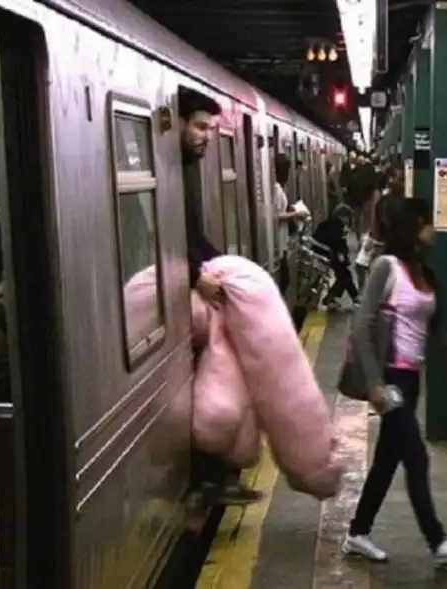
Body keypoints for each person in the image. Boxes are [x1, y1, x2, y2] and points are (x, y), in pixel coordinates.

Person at [342, 198, 447, 567]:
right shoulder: (386, 267)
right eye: (427, 223)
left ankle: (358, 532)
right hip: (391, 378)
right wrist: (374, 383)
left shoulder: (426, 273)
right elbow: (361, 326)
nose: (433, 230)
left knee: (387, 460)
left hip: (411, 380)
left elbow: (441, 330)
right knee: (416, 457)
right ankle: (437, 540)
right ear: (413, 228)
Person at [178, 86, 262, 506]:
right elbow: (162, 241)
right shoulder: (174, 176)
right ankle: (211, 476)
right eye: (199, 127)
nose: (206, 137)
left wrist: (229, 268)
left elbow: (192, 238)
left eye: (211, 130)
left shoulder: (185, 173)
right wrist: (196, 275)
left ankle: (220, 474)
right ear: (175, 123)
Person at [274, 153, 309, 296]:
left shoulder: (278, 188)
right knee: (284, 280)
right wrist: (296, 214)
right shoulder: (276, 188)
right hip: (278, 239)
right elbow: (276, 215)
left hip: (282, 240)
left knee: (285, 279)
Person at [313, 204, 359, 310]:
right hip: (327, 254)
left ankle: (332, 299)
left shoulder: (332, 224)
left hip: (326, 253)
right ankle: (354, 297)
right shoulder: (335, 226)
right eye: (348, 218)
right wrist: (342, 258)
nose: (348, 221)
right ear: (342, 216)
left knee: (343, 275)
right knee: (344, 274)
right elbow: (337, 245)